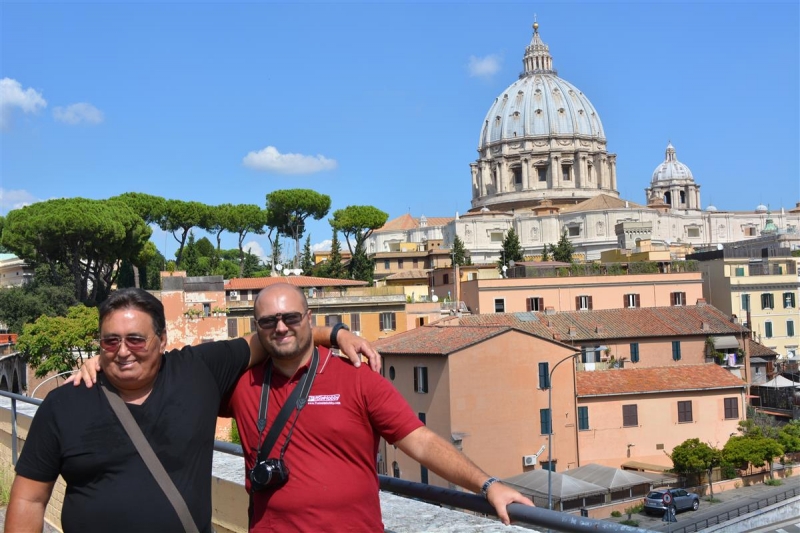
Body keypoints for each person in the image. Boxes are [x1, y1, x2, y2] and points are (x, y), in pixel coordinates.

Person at [6, 287, 378, 533]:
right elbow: (28, 498)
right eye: (111, 340)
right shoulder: (65, 403)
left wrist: (335, 334)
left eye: (136, 339)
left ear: (162, 340)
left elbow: (273, 336)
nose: (122, 351)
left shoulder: (197, 370)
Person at [223, 283, 533, 531]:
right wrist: (332, 333)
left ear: (309, 317)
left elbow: (421, 441)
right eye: (268, 321)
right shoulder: (242, 385)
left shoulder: (357, 380)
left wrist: (487, 484)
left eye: (291, 317)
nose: (280, 328)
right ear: (257, 328)